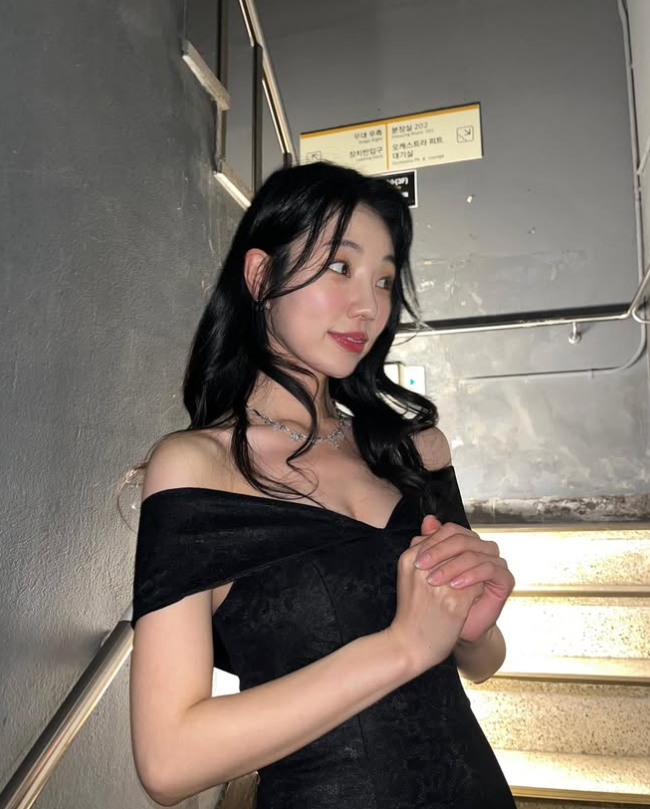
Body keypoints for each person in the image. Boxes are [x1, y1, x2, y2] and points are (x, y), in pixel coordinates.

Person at [126, 160, 517, 808]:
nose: (369, 305)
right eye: (340, 266)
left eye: (384, 279)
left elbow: (483, 662)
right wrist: (400, 647)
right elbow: (168, 759)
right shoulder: (197, 467)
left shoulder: (415, 450)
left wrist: (474, 627)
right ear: (261, 276)